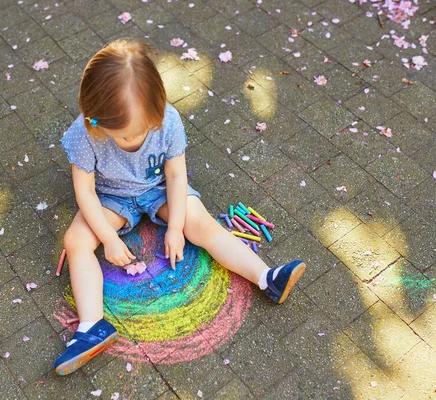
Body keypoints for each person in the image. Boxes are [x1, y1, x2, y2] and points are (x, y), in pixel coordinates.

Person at [54, 39, 306, 375]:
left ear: (157, 110)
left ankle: (266, 277)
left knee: (200, 224)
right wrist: (108, 239)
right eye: (121, 136)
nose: (131, 142)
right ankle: (92, 326)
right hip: (110, 197)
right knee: (76, 242)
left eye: (139, 133)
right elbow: (84, 193)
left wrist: (175, 227)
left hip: (159, 188)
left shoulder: (167, 121)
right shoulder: (85, 132)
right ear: (94, 119)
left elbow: (175, 175)